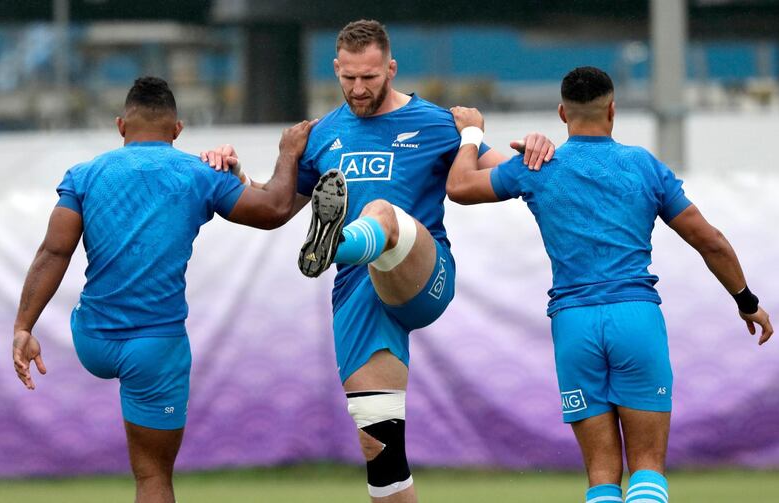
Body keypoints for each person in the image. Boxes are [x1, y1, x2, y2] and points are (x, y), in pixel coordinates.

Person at [201, 19, 554, 502]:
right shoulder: (323, 135)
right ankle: (339, 247)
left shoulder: (434, 122)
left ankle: (338, 244)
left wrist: (537, 149)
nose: (358, 88)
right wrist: (236, 173)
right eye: (348, 78)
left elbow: (506, 173)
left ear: (390, 68)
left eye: (369, 77)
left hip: (423, 274)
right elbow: (275, 205)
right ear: (336, 68)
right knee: (382, 456)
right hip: (359, 297)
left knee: (382, 215)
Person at [444, 66, 774, 503]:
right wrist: (745, 300)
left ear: (563, 113)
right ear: (613, 110)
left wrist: (470, 134)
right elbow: (710, 241)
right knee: (648, 469)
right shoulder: (642, 166)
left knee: (602, 476)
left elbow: (460, 186)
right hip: (634, 318)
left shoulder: (538, 167)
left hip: (574, 325)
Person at [11, 76, 315, 503]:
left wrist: (24, 326)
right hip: (154, 345)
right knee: (152, 478)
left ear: (121, 126)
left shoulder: (83, 175)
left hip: (92, 339)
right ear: (177, 129)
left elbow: (53, 252)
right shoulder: (198, 172)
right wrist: (287, 154)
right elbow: (274, 210)